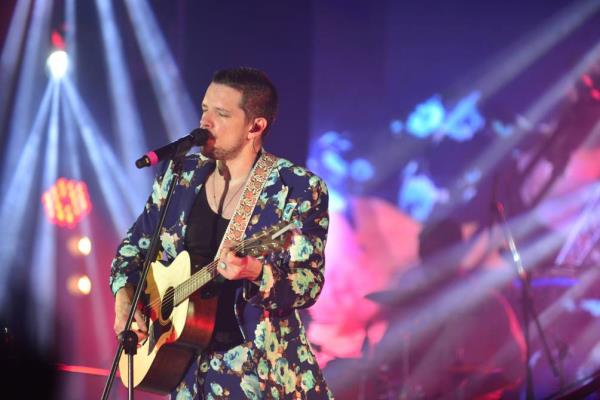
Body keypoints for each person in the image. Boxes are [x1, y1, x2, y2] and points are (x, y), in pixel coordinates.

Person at [110, 67, 332, 399]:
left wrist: (255, 272)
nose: (205, 122)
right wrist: (125, 302)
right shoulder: (181, 176)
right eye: (204, 109)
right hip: (186, 373)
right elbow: (133, 248)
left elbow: (308, 284)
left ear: (255, 127)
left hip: (259, 374)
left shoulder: (296, 189)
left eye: (221, 114)